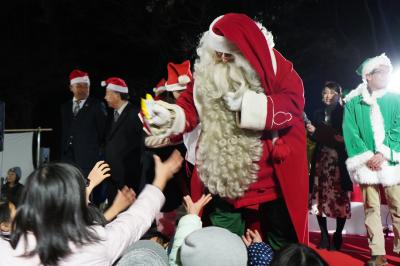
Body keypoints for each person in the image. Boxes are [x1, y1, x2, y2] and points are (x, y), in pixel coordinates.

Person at [142, 13, 308, 249]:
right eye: (215, 54)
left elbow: (293, 103)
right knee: (222, 243)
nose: (220, 59)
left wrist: (248, 105)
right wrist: (170, 117)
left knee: (280, 244)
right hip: (221, 178)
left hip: (270, 178)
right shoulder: (206, 73)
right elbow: (189, 107)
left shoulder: (274, 66)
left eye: (228, 55)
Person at [0, 150, 183, 266]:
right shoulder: (95, 244)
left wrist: (87, 187)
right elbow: (136, 218)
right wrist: (160, 179)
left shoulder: (8, 250)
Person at [343, 53, 400, 266]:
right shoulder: (352, 103)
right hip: (366, 164)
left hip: (392, 163)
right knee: (371, 208)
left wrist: (383, 153)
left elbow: (399, 127)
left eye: (388, 71)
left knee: (399, 207)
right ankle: (377, 253)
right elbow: (350, 132)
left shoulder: (396, 99)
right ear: (368, 75)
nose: (386, 75)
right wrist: (368, 157)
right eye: (381, 71)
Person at [306, 81, 352, 250]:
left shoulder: (346, 112)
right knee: (319, 198)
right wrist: (312, 132)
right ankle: (324, 236)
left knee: (339, 198)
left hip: (338, 162)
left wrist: (344, 139)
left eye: (332, 93)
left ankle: (338, 234)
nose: (328, 96)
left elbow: (352, 134)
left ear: (339, 95)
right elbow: (316, 137)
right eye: (325, 92)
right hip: (321, 161)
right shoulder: (318, 113)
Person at [103, 77, 144, 203]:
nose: (105, 97)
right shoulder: (111, 115)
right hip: (112, 178)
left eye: (108, 94)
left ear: (117, 94)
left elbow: (141, 146)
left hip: (128, 179)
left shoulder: (135, 113)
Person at [60, 69, 107, 177]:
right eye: (79, 86)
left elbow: (103, 131)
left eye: (86, 86)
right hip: (67, 157)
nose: (83, 89)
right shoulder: (65, 107)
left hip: (87, 158)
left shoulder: (97, 105)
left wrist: (96, 151)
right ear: (71, 87)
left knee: (86, 189)